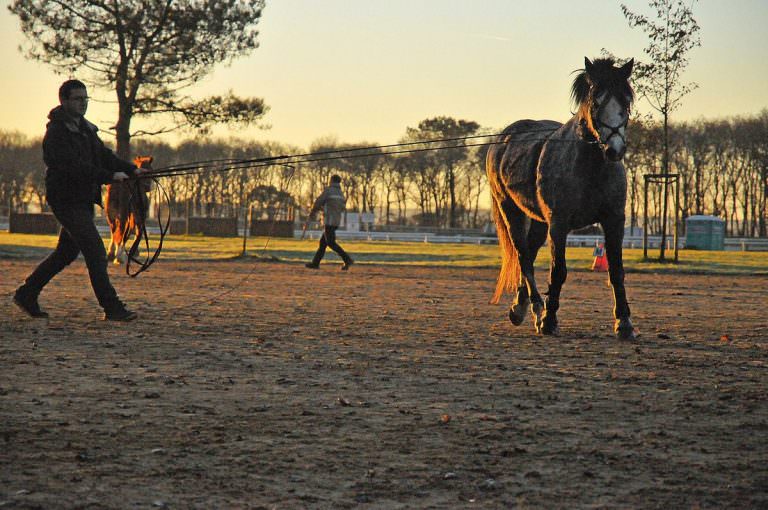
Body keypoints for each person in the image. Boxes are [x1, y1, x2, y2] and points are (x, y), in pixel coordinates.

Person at [13, 79, 146, 321]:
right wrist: (109, 177)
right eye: (78, 98)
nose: (83, 103)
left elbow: (104, 156)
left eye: (85, 98)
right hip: (65, 200)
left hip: (83, 200)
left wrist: (132, 170)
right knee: (96, 251)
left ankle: (27, 293)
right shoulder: (56, 134)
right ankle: (112, 308)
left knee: (65, 253)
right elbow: (74, 167)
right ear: (64, 101)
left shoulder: (86, 129)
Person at [305, 174, 354, 270]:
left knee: (330, 243)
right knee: (323, 243)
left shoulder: (328, 191)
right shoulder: (341, 193)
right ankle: (315, 263)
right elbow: (342, 207)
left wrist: (313, 212)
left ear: (331, 181)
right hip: (336, 221)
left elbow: (319, 202)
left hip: (329, 220)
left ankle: (347, 259)